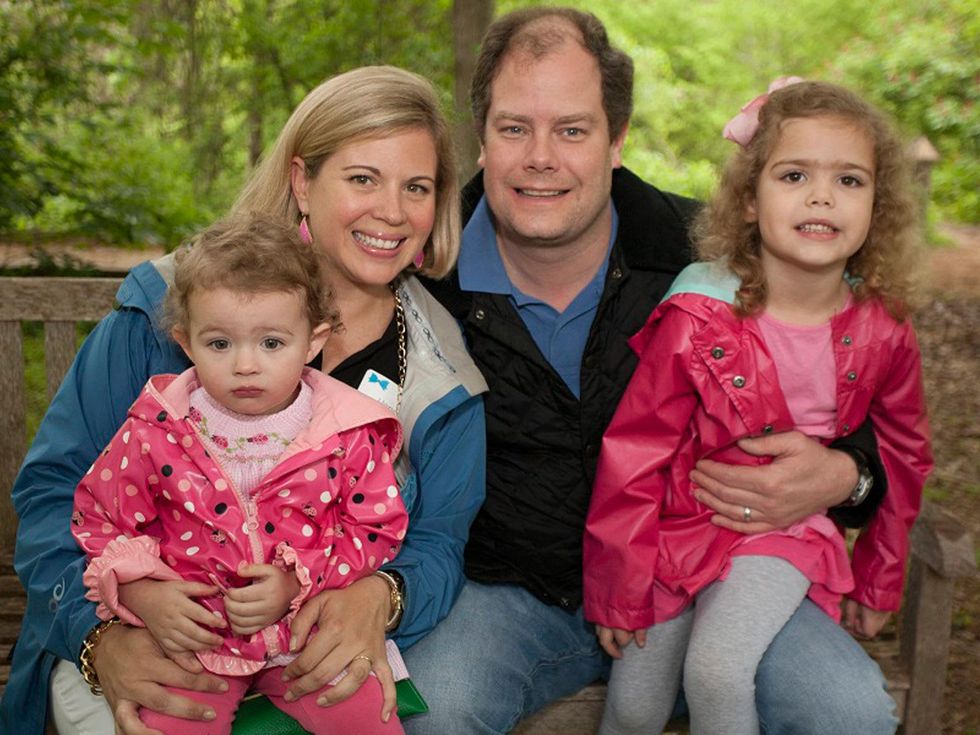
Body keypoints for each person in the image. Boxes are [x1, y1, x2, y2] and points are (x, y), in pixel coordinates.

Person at [411, 8, 899, 734]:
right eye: (515, 128)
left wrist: (846, 476)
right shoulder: (422, 268)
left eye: (572, 129)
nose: (540, 156)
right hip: (510, 590)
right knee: (435, 706)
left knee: (849, 710)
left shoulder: (714, 259)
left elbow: (870, 410)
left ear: (617, 140)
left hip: (709, 577)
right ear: (481, 139)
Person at [3, 66, 487, 735]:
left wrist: (383, 593)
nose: (393, 211)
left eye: (418, 187)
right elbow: (56, 495)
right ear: (301, 182)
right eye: (362, 178)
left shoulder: (443, 373)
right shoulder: (171, 312)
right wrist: (102, 638)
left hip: (308, 657)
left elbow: (440, 542)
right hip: (153, 638)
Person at [583, 79, 933, 735]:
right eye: (794, 174)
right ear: (750, 199)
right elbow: (635, 448)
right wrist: (619, 586)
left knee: (717, 670)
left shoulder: (883, 329)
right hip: (681, 527)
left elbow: (904, 453)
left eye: (850, 180)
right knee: (633, 704)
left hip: (784, 533)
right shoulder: (697, 314)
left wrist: (879, 578)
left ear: (876, 207)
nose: (822, 195)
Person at [73, 214, 409, 734]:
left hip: (304, 635)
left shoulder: (345, 433)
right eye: (220, 344)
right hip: (193, 644)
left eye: (272, 343)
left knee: (370, 715)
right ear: (186, 342)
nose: (246, 365)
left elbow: (377, 528)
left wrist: (299, 581)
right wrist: (140, 594)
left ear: (313, 340)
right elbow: (99, 517)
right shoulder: (156, 430)